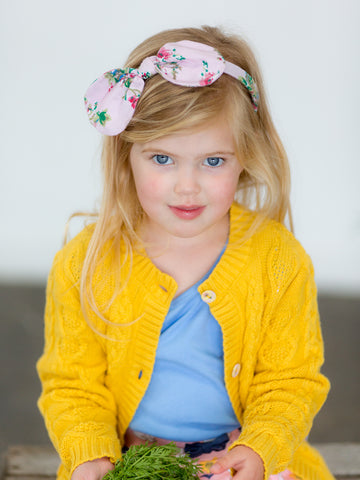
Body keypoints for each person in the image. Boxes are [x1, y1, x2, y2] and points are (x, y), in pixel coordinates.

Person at [37, 25, 334, 480]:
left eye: (213, 161)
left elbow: (290, 383)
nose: (187, 186)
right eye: (162, 159)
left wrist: (260, 449)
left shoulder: (278, 260)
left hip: (243, 458)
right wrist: (89, 455)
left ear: (245, 156)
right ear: (126, 156)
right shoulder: (86, 261)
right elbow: (73, 385)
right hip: (129, 462)